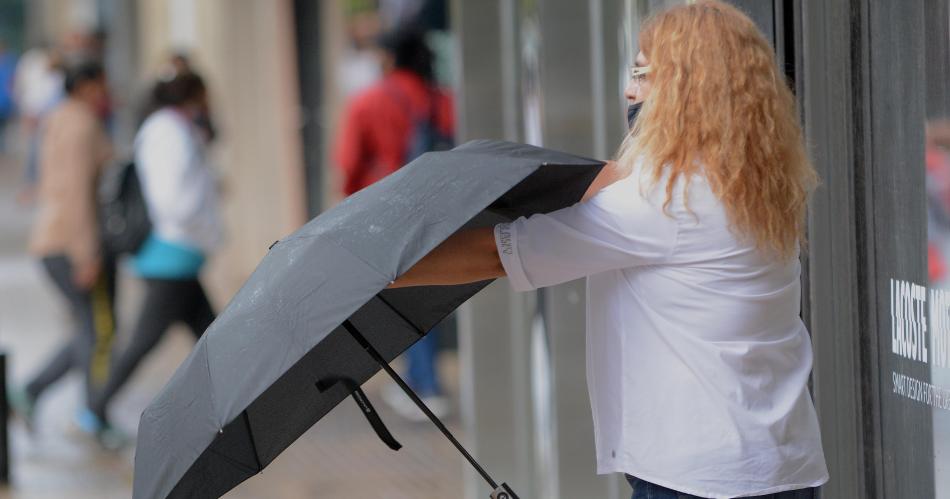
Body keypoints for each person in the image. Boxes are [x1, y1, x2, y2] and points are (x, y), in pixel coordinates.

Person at [391, 2, 828, 498]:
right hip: (783, 465)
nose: (629, 89)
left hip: (696, 478)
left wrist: (382, 269)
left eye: (643, 74)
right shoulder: (760, 186)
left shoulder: (664, 200)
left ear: (690, 88)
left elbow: (501, 253)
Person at [82, 69, 222, 443]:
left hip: (178, 255)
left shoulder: (172, 129)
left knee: (213, 336)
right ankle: (94, 408)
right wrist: (202, 211)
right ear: (194, 95)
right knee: (148, 341)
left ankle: (231, 403)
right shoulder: (168, 132)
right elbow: (172, 198)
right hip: (170, 254)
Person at [334, 27, 454, 420]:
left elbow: (349, 165)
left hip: (386, 213)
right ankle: (424, 381)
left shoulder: (368, 101)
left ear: (388, 59)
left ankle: (424, 385)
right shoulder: (442, 100)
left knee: (400, 295)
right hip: (438, 210)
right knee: (426, 291)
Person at [12, 60, 116, 437]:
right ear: (87, 85)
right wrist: (85, 252)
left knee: (91, 329)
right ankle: (89, 412)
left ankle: (37, 393)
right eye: (103, 82)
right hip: (68, 242)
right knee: (95, 331)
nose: (107, 90)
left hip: (55, 238)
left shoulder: (58, 118)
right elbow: (76, 193)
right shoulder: (81, 124)